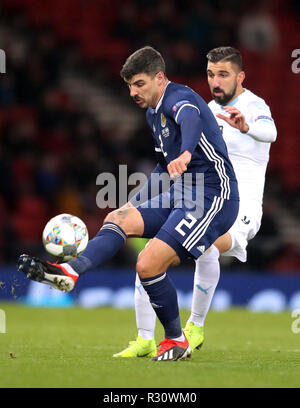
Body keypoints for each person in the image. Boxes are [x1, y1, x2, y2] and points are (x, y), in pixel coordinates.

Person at [18, 46, 239, 361]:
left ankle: (175, 341)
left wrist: (188, 152)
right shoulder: (153, 113)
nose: (133, 92)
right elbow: (165, 168)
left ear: (159, 78)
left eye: (139, 84)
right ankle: (69, 271)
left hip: (213, 194)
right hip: (182, 192)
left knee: (148, 264)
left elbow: (190, 119)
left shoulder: (179, 98)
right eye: (129, 86)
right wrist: (135, 201)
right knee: (118, 217)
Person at [113, 46, 277, 358]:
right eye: (211, 74)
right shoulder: (204, 107)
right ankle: (145, 337)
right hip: (203, 196)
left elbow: (271, 132)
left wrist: (247, 127)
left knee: (209, 245)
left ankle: (195, 326)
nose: (216, 81)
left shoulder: (255, 105)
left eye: (224, 74)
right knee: (150, 255)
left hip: (241, 206)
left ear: (240, 76)